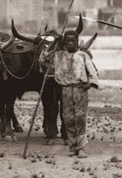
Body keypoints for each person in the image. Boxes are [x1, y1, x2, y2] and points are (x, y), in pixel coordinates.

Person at [41, 29, 99, 157]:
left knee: (80, 118)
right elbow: (43, 58)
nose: (71, 43)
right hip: (65, 89)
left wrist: (88, 84)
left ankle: (81, 147)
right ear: (64, 43)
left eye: (73, 40)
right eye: (68, 41)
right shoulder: (59, 56)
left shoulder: (83, 55)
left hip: (80, 90)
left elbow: (93, 73)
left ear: (77, 42)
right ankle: (73, 147)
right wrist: (55, 41)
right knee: (68, 118)